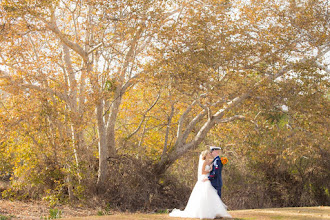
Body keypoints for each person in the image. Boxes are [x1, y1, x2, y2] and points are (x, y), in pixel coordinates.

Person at [169, 149, 231, 219]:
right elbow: (202, 172)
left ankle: (214, 211)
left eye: (210, 153)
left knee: (211, 195)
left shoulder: (211, 161)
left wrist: (221, 161)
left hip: (209, 179)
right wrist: (209, 170)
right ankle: (204, 212)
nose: (210, 154)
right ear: (206, 155)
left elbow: (217, 164)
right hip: (205, 178)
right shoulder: (204, 162)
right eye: (208, 153)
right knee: (205, 195)